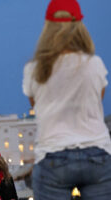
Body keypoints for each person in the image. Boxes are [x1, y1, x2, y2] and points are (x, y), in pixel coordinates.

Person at [22, 0, 111, 199]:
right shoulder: (95, 65)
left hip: (53, 155)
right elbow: (98, 100)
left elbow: (36, 106)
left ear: (47, 28)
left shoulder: (34, 69)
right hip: (96, 153)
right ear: (80, 27)